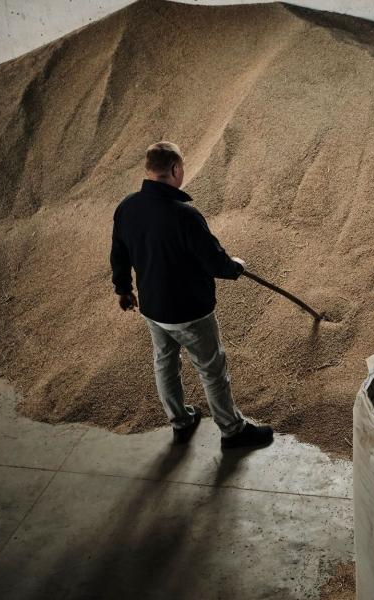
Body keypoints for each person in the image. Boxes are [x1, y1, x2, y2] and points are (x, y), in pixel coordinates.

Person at [110, 141, 273, 449]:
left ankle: (181, 421)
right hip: (190, 312)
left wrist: (123, 289)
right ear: (175, 169)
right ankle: (232, 431)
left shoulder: (127, 207)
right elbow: (213, 262)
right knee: (212, 369)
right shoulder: (185, 215)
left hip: (153, 307)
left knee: (165, 362)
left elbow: (118, 253)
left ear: (148, 171)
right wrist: (235, 266)